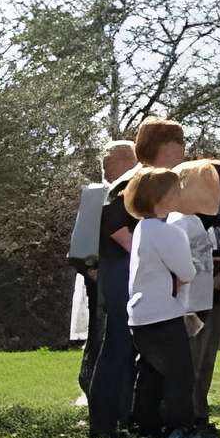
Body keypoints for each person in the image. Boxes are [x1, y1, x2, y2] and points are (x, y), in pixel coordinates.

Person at [89, 118, 186, 438]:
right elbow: (113, 223)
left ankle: (134, 418)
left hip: (140, 277)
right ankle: (103, 424)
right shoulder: (134, 179)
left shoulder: (157, 179)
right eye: (178, 142)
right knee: (117, 345)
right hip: (123, 275)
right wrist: (150, 255)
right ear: (161, 145)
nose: (183, 150)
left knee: (140, 354)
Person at [122, 164, 214, 438]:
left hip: (140, 313)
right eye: (174, 190)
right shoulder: (168, 232)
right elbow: (187, 272)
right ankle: (180, 430)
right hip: (164, 312)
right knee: (180, 374)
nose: (179, 194)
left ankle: (147, 427)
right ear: (160, 196)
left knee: (151, 371)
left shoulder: (141, 228)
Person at [68, 141, 131, 408]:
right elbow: (81, 242)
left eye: (111, 159)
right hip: (100, 277)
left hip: (129, 275)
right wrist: (90, 270)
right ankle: (94, 390)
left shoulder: (137, 192)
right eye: (103, 160)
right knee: (99, 334)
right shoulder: (96, 194)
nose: (105, 164)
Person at [176, 158, 220, 420]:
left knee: (206, 359)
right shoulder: (180, 222)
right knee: (189, 360)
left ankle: (199, 410)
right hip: (188, 303)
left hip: (214, 301)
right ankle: (185, 414)